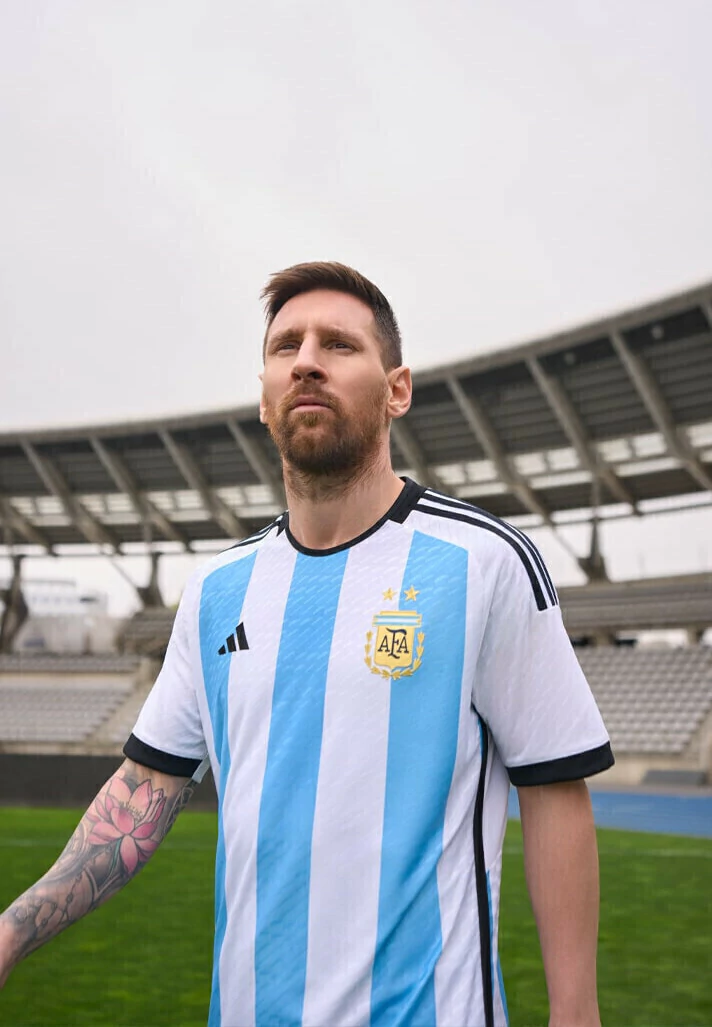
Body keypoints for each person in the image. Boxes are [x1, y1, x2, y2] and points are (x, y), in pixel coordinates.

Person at [0, 262, 614, 1027]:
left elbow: (555, 790)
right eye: (286, 345)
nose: (308, 361)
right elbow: (142, 792)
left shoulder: (485, 562)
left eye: (339, 344)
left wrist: (575, 1011)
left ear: (397, 389)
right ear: (265, 396)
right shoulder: (215, 591)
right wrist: (10, 932)